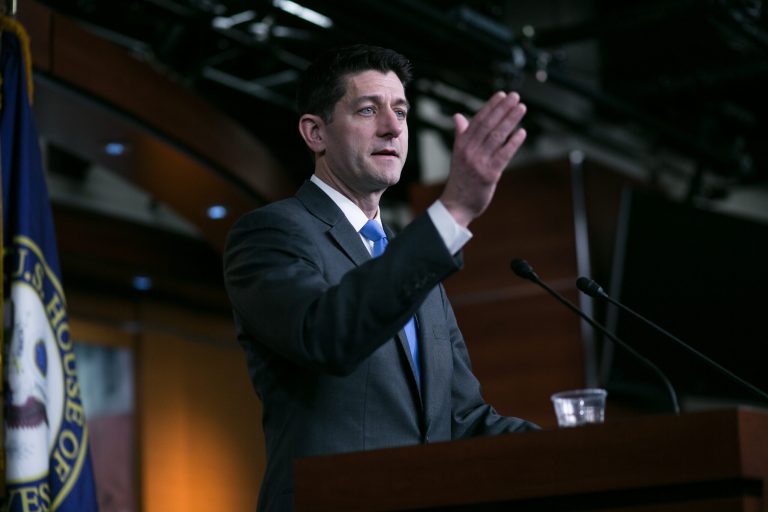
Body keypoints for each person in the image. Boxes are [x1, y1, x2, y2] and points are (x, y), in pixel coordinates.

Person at [223, 44, 538, 512]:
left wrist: (581, 444)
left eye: (401, 111)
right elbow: (326, 334)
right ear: (315, 133)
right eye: (368, 109)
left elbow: (463, 418)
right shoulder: (271, 233)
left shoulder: (410, 258)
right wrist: (452, 212)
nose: (393, 127)